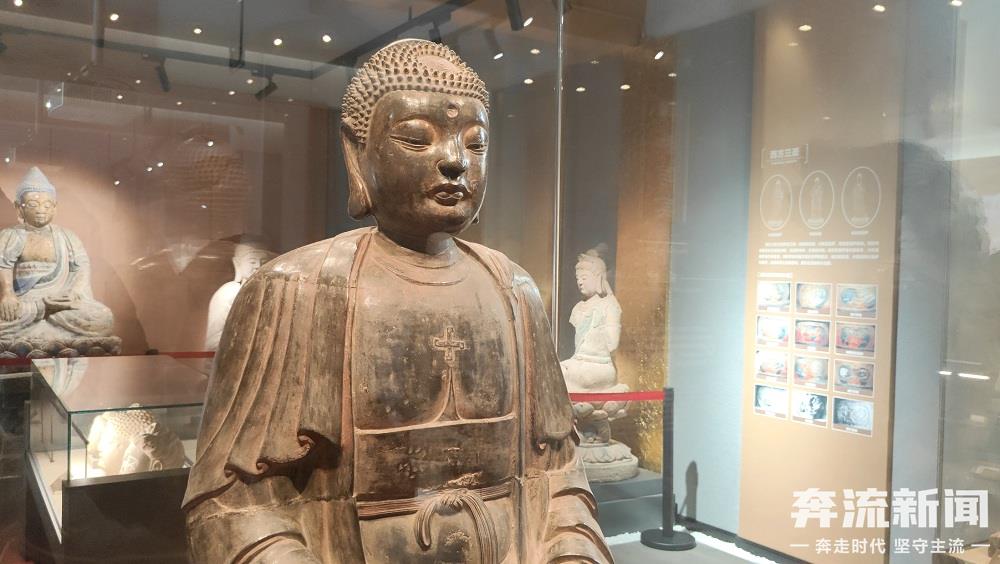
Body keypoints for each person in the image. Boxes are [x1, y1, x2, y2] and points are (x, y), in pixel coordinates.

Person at [183, 39, 612, 564]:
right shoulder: (296, 290)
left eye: (475, 144)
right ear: (356, 151)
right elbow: (233, 506)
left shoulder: (514, 291)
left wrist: (571, 553)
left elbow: (560, 478)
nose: (455, 161)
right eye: (416, 139)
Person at [0, 167, 114, 341]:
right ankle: (43, 322)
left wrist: (74, 293)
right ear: (19, 207)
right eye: (33, 205)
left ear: (55, 208)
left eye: (47, 205)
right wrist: (8, 294)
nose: (41, 210)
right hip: (27, 303)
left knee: (103, 317)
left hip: (60, 303)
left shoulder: (67, 237)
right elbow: (2, 265)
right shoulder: (10, 235)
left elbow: (81, 267)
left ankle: (39, 331)